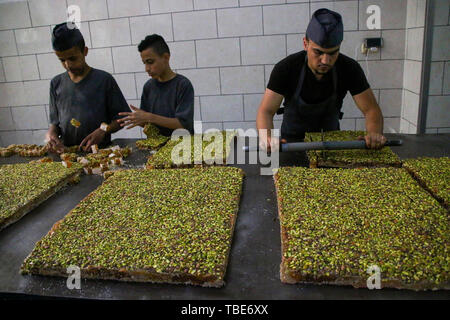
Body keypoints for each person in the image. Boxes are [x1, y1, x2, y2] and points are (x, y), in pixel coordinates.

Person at [256, 8, 387, 151]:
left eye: (333, 53)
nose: (325, 60)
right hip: (291, 145)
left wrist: (374, 134)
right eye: (318, 52)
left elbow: (371, 110)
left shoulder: (349, 68)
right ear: (306, 44)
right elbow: (266, 111)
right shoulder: (286, 68)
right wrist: (266, 137)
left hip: (331, 146)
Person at [45, 22, 130, 152]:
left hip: (100, 153)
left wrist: (103, 130)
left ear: (85, 51)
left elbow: (122, 118)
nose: (68, 65)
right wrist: (51, 134)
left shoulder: (103, 80)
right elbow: (54, 123)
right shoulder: (56, 83)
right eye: (62, 60)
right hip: (67, 154)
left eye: (72, 59)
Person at [117, 34, 194, 136]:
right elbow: (147, 123)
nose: (147, 68)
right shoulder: (148, 87)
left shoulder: (182, 85)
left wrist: (149, 117)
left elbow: (183, 124)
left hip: (182, 146)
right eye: (144, 63)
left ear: (166, 57)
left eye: (150, 62)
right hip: (156, 146)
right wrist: (136, 119)